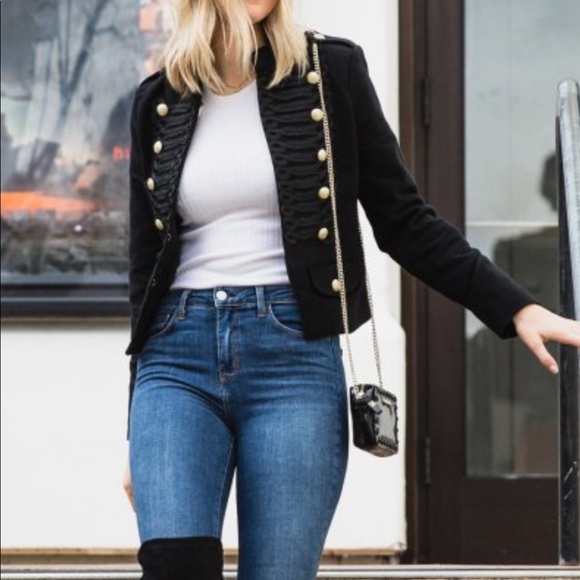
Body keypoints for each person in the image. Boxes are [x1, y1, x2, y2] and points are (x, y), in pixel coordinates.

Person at [123, 1, 580, 578]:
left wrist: (515, 308)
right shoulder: (157, 99)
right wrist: (137, 431)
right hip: (174, 362)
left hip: (291, 361)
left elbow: (404, 221)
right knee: (174, 566)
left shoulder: (328, 70)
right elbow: (145, 275)